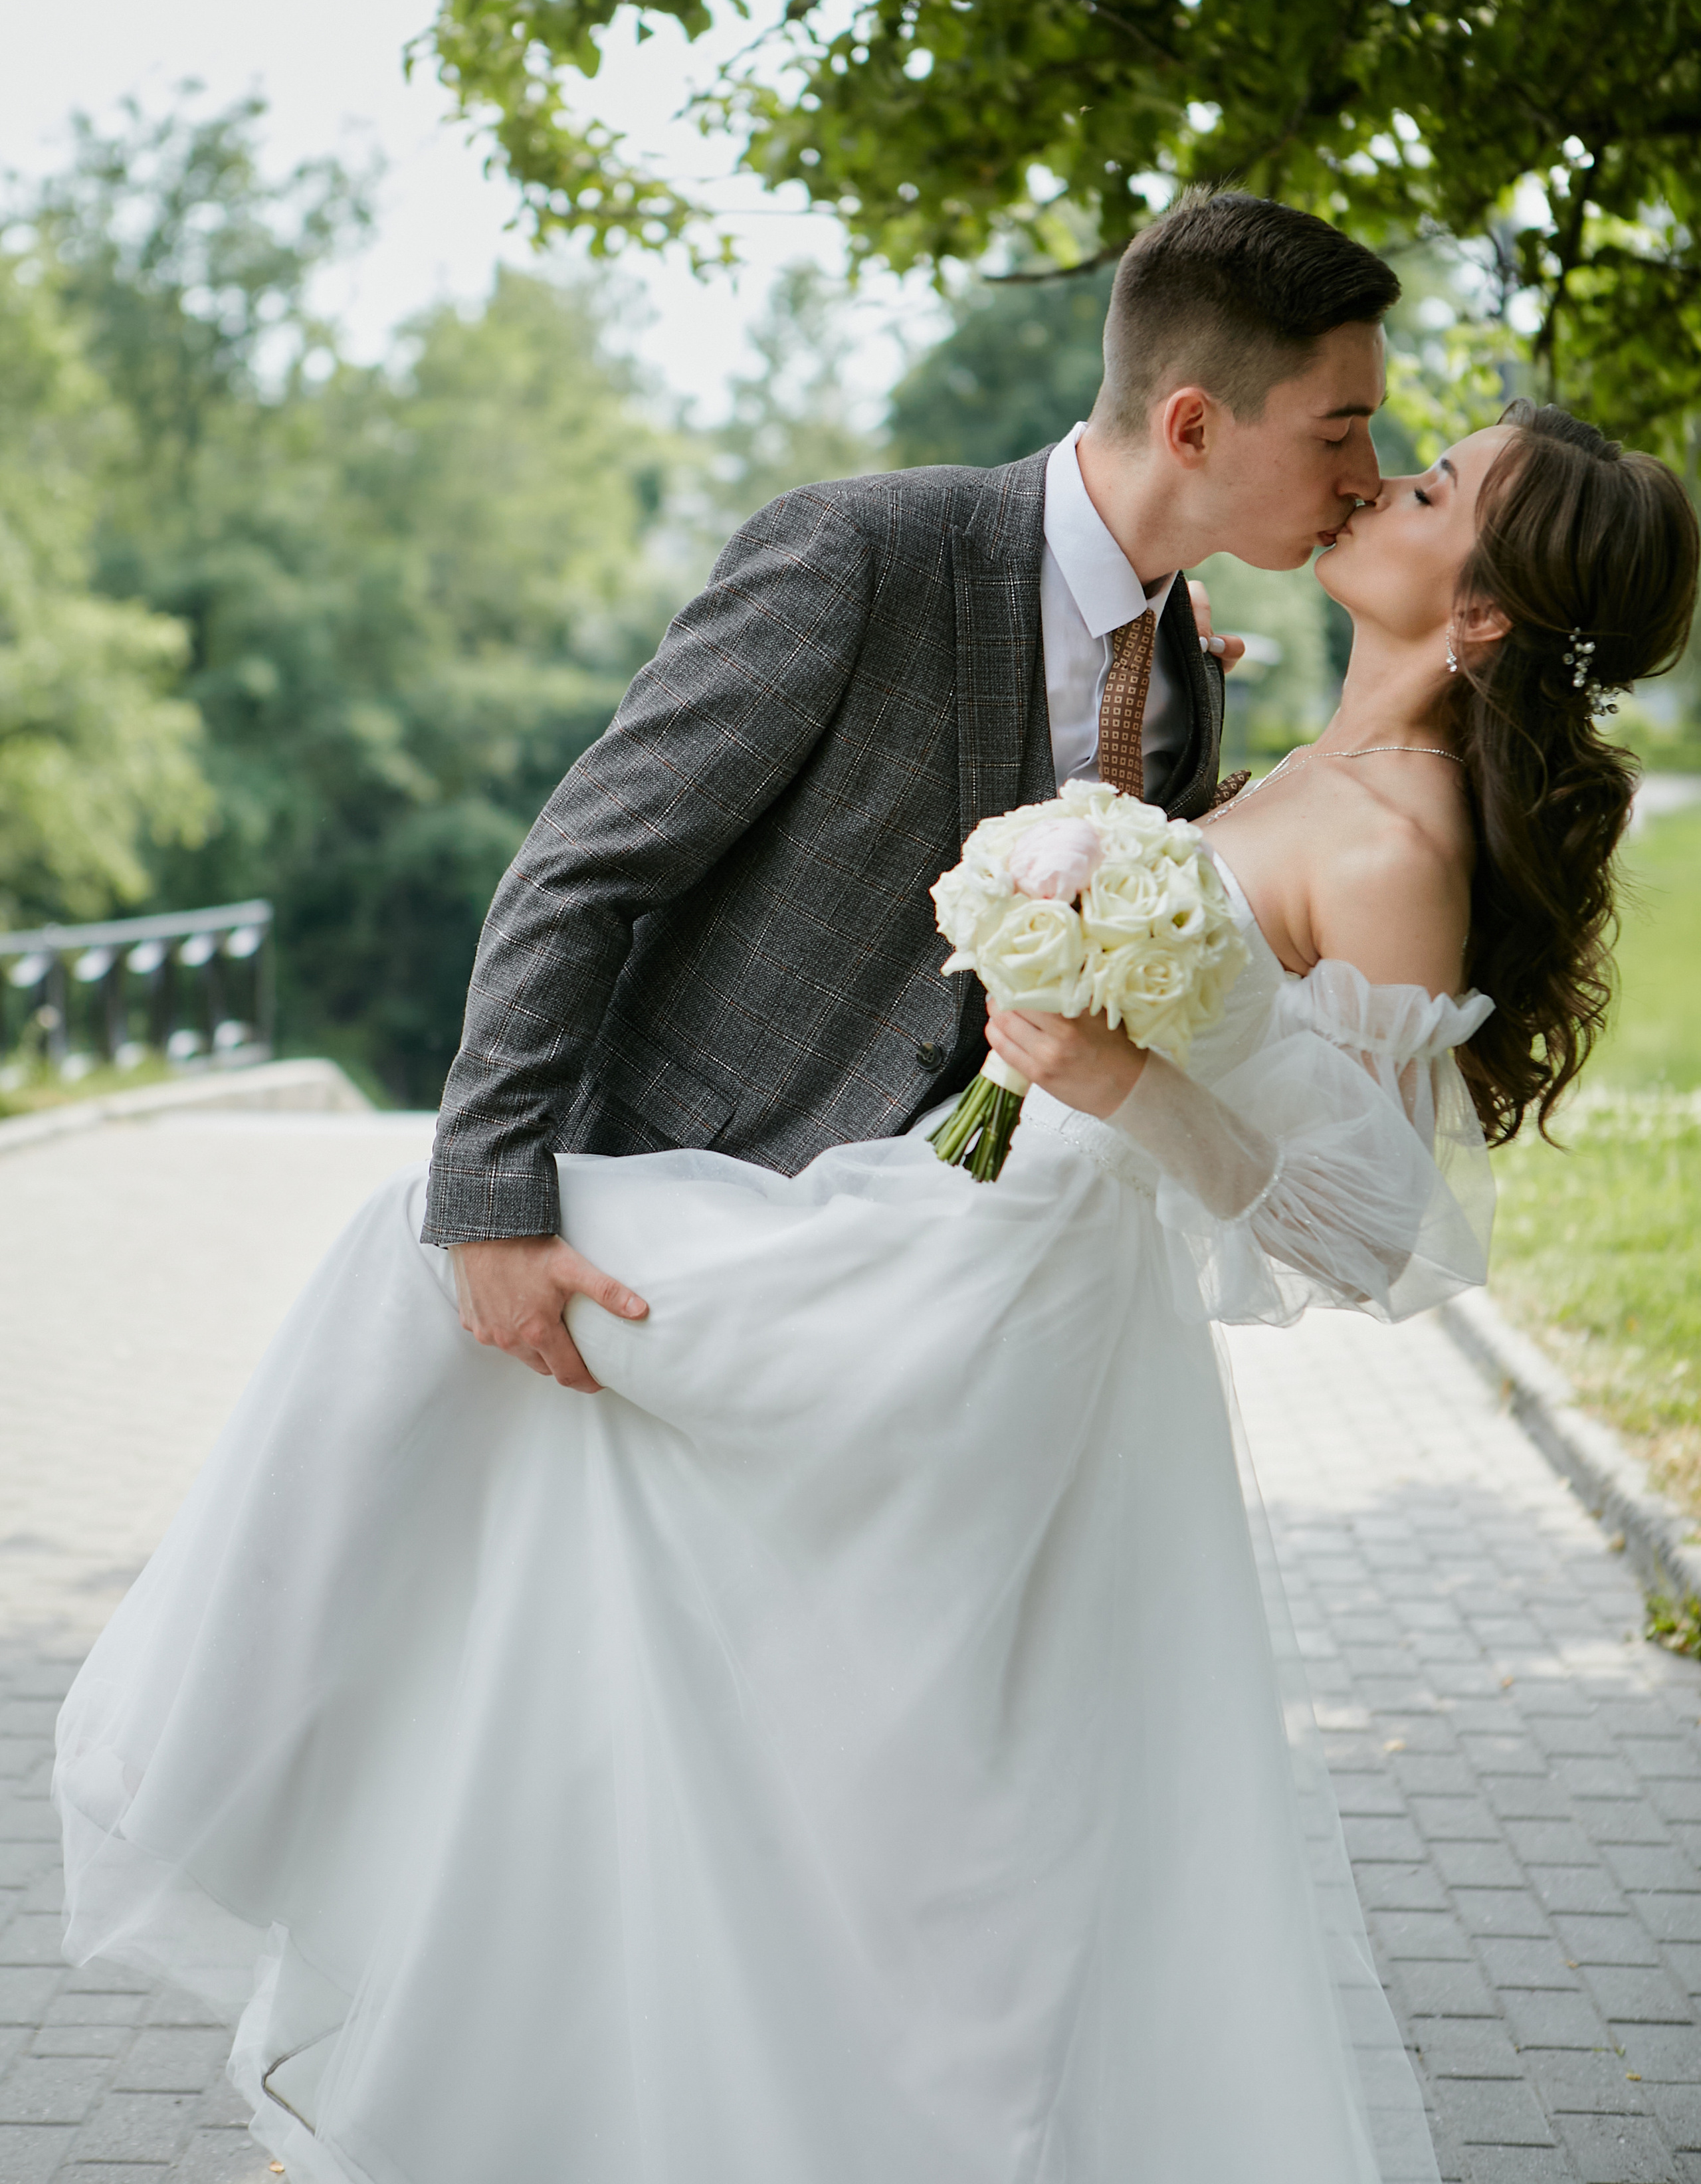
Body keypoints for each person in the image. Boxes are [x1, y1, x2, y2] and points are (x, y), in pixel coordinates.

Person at [53, 387, 1696, 2172]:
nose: (1390, 476)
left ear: (1482, 618)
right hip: (938, 1219)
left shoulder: (1397, 839)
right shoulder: (1316, 761)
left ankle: (242, 1790)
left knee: (454, 1263)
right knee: (784, 1687)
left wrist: (1127, 1082)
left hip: (1005, 1298)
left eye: (1440, 487)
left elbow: (1369, 1228)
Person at [427, 188, 1399, 1390]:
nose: (1367, 475)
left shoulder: (1185, 665)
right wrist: (490, 1208)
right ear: (1192, 427)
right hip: (666, 1216)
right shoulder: (860, 554)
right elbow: (583, 864)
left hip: (921, 1293)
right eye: (1338, 429)